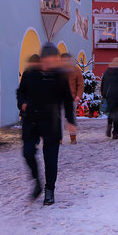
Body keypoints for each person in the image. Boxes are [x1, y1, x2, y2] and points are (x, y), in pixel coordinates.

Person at [16, 50, 76, 204]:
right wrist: (22, 103)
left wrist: (70, 120)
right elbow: (20, 92)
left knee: (50, 158)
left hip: (51, 122)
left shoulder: (59, 76)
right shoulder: (30, 74)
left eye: (53, 59)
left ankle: (50, 190)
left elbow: (67, 100)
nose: (50, 62)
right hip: (31, 120)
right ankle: (37, 182)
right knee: (27, 152)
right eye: (47, 58)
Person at [101, 58, 118, 139]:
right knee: (117, 115)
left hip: (109, 95)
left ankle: (109, 125)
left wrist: (103, 94)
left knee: (111, 112)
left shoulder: (107, 71)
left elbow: (103, 83)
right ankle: (115, 133)